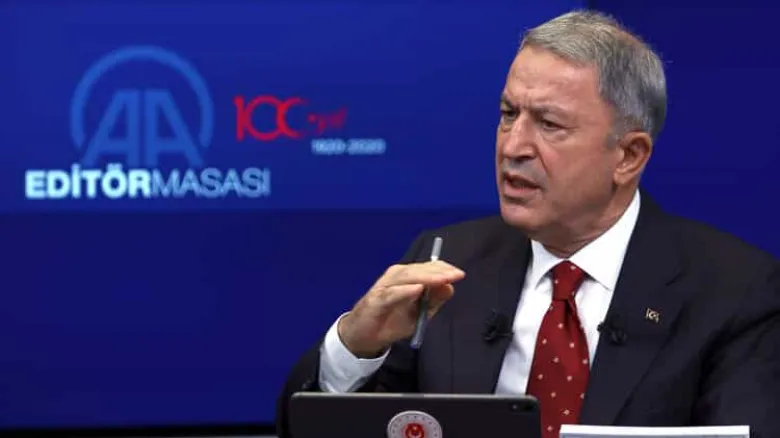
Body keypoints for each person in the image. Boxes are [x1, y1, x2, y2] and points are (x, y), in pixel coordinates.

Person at [276, 10, 780, 438]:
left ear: (628, 156)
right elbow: (313, 429)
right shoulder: (446, 262)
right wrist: (354, 346)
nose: (513, 146)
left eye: (549, 124)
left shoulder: (735, 291)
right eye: (507, 113)